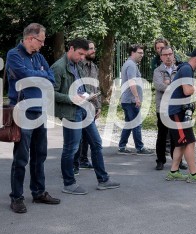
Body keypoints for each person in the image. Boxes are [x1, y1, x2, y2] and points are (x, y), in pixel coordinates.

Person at [52, 38, 120, 195]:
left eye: (84, 54)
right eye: (80, 54)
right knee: (71, 148)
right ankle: (69, 184)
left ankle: (103, 180)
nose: (82, 57)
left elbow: (82, 87)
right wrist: (71, 98)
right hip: (71, 112)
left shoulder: (77, 64)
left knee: (96, 143)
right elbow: (51, 93)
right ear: (71, 48)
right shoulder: (58, 67)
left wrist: (90, 97)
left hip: (84, 110)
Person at [5, 23, 61, 214]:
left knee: (40, 155)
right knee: (21, 157)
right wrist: (41, 74)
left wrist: (41, 75)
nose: (43, 44)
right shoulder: (14, 54)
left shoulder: (38, 56)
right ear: (30, 38)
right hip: (23, 111)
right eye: (41, 41)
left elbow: (51, 78)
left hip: (39, 111)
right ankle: (16, 197)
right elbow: (25, 76)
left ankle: (38, 192)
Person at [164, 48, 196, 183]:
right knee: (189, 142)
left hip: (176, 111)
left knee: (181, 144)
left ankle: (174, 172)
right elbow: (187, 91)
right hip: (176, 111)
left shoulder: (186, 69)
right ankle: (194, 174)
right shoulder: (187, 69)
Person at [153, 44, 186, 171]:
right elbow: (159, 86)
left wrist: (169, 84)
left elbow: (183, 85)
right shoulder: (158, 71)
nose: (168, 57)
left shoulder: (179, 70)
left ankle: (177, 161)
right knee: (162, 135)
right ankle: (160, 160)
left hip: (176, 107)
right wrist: (173, 86)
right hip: (162, 107)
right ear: (161, 57)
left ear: (173, 55)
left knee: (176, 136)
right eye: (165, 55)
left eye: (170, 54)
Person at [118, 44, 154, 155]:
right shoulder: (131, 65)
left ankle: (122, 146)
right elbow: (131, 82)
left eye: (142, 53)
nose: (142, 55)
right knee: (136, 123)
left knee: (129, 124)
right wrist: (136, 97)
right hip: (131, 101)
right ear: (132, 53)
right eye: (139, 53)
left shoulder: (130, 64)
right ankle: (140, 148)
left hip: (127, 100)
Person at [75, 40, 101, 173]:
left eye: (94, 48)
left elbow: (97, 88)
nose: (93, 51)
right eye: (90, 48)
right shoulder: (77, 66)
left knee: (87, 137)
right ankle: (74, 164)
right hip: (79, 106)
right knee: (77, 137)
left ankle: (83, 160)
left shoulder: (94, 67)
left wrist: (98, 106)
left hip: (91, 107)